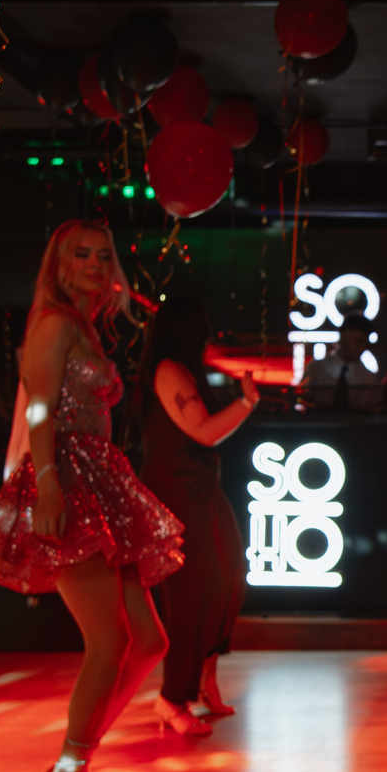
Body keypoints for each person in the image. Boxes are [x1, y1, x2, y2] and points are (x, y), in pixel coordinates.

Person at [0, 220, 183, 772]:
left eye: (103, 254)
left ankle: (77, 767)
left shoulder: (85, 325)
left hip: (96, 478)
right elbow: (40, 408)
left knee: (149, 642)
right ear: (59, 265)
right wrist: (47, 485)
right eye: (81, 254)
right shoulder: (54, 323)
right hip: (67, 480)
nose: (95, 263)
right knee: (110, 642)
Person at [136, 297, 259, 734]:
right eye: (203, 331)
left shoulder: (185, 370)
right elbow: (204, 431)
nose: (208, 340)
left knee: (229, 579)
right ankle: (172, 699)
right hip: (176, 491)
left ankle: (205, 681)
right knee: (195, 592)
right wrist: (245, 403)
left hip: (202, 488)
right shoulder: (169, 370)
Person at [307, 312, 381, 409]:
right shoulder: (316, 369)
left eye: (366, 343)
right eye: (358, 341)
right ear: (343, 336)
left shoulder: (370, 379)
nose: (362, 347)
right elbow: (303, 398)